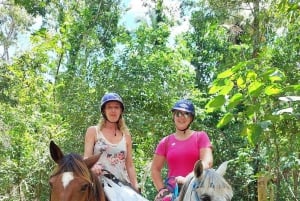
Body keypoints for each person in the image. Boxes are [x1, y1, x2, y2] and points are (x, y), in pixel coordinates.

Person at [151, 99, 213, 200]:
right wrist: (162, 189)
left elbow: (207, 162)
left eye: (186, 114)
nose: (181, 117)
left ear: (191, 118)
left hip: (198, 189)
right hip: (174, 191)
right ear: (173, 116)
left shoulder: (200, 136)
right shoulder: (165, 141)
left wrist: (188, 179)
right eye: (178, 113)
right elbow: (155, 169)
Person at [83, 92, 140, 192]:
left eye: (116, 107)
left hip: (122, 185)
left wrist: (135, 185)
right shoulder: (93, 131)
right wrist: (93, 166)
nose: (113, 110)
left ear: (121, 111)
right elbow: (86, 157)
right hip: (99, 184)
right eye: (109, 107)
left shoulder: (126, 135)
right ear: (104, 111)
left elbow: (129, 164)